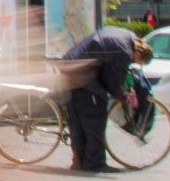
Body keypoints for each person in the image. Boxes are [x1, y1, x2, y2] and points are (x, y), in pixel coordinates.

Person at [60, 26, 154, 173]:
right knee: (95, 118)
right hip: (81, 73)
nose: (134, 63)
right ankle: (94, 163)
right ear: (138, 55)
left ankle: (79, 162)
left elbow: (117, 71)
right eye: (137, 62)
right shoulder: (125, 52)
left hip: (71, 64)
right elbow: (114, 80)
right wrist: (122, 96)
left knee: (77, 120)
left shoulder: (129, 36)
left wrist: (124, 89)